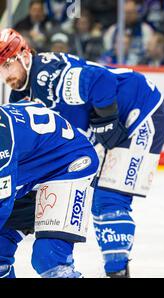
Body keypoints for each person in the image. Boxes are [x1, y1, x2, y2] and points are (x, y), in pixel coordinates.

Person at [1, 28, 164, 278]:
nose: (5, 75)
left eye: (7, 66)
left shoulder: (48, 74)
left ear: (24, 55)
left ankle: (117, 272)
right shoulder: (20, 93)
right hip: (99, 134)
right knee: (98, 196)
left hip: (141, 108)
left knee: (108, 200)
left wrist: (107, 119)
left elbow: (101, 80)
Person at [0, 32, 99, 277]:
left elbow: (2, 201)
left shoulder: (2, 136)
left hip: (69, 165)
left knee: (50, 261)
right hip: (36, 172)